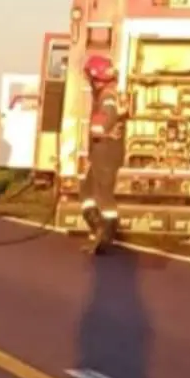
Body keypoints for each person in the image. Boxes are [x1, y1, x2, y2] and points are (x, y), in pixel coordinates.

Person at [81, 53, 126, 253]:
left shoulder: (108, 97)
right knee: (87, 190)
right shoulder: (107, 94)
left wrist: (96, 127)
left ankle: (106, 236)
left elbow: (104, 122)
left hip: (107, 151)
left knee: (103, 195)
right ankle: (97, 227)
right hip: (101, 151)